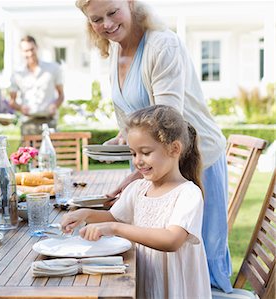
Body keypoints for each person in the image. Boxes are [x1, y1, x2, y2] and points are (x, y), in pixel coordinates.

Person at [75, 0, 232, 292]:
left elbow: (167, 120)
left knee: (198, 258)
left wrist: (138, 175)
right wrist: (123, 139)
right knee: (154, 257)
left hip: (193, 161)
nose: (107, 24)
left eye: (113, 12)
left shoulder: (162, 46)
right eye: (97, 19)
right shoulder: (115, 48)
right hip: (157, 164)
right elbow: (132, 117)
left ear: (131, 3)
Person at [61, 105, 211, 298]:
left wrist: (115, 228)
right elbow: (114, 216)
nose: (137, 161)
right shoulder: (138, 188)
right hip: (143, 276)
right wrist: (85, 214)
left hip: (175, 289)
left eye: (145, 152)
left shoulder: (188, 193)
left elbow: (171, 240)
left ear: (174, 149)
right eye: (133, 153)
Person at [9, 35, 65, 136]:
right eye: (26, 51)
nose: (30, 53)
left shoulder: (53, 69)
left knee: (49, 151)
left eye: (32, 49)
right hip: (28, 123)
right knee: (28, 152)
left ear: (37, 47)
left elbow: (61, 95)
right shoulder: (17, 74)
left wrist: (55, 105)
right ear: (21, 52)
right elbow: (12, 101)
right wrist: (21, 108)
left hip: (49, 122)